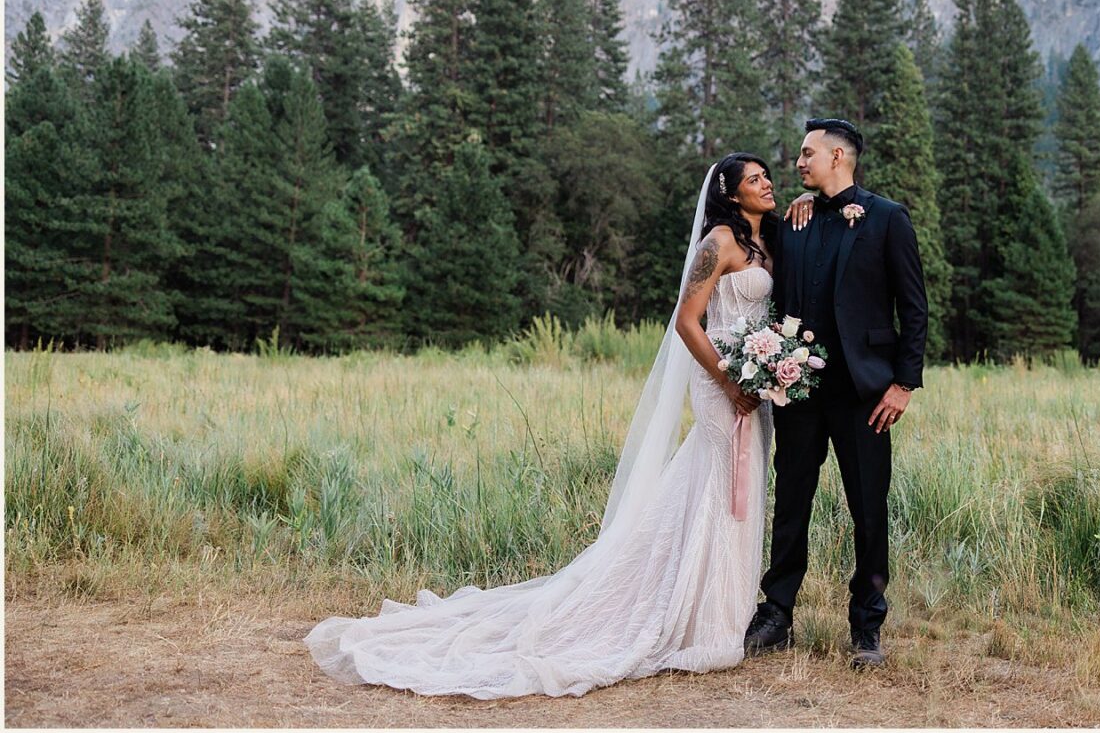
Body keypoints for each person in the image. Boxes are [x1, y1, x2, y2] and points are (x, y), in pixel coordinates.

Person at [305, 155, 788, 698]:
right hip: (721, 379)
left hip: (757, 380)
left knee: (739, 485)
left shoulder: (767, 241)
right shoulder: (718, 243)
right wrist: (726, 379)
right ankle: (692, 617)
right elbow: (685, 320)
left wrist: (763, 367)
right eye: (756, 179)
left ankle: (719, 607)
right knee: (720, 479)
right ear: (729, 192)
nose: (768, 183)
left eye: (768, 176)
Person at [745, 117, 930, 669]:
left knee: (869, 510)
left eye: (808, 154)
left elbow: (914, 309)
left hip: (865, 393)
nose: (798, 162)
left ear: (839, 157)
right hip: (798, 389)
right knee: (791, 504)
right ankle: (776, 614)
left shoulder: (888, 218)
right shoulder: (792, 221)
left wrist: (902, 383)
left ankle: (867, 626)